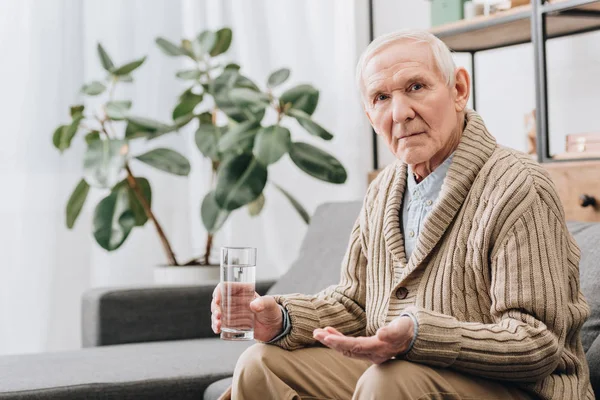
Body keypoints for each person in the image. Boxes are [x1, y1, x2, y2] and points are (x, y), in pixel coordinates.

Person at [211, 29, 594, 399]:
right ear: (369, 114)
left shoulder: (519, 186)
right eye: (380, 97)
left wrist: (417, 334)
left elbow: (537, 343)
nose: (400, 113)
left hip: (517, 389)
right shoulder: (383, 189)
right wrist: (281, 318)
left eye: (416, 87)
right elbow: (355, 304)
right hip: (406, 373)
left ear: (458, 89)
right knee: (260, 362)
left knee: (389, 382)